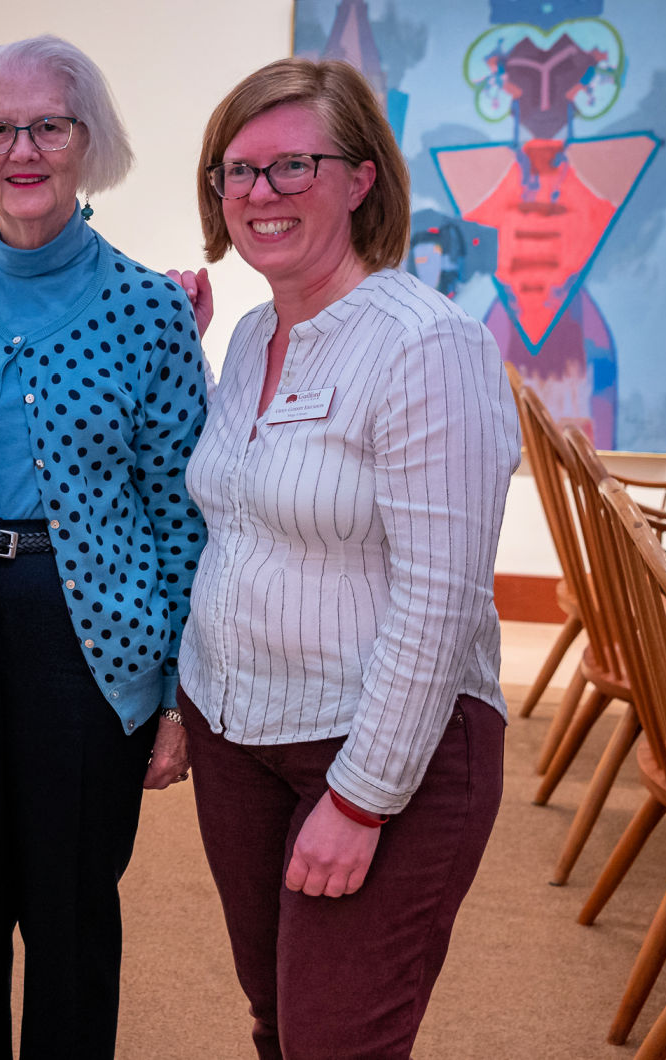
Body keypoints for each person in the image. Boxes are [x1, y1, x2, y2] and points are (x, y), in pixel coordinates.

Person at [169, 57, 519, 1059]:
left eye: (291, 168)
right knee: (280, 1018)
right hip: (238, 731)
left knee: (338, 1038)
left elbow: (440, 603)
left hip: (381, 746)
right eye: (235, 173)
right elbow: (244, 500)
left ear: (360, 179)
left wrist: (362, 798)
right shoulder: (247, 338)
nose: (257, 195)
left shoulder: (426, 345)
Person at [0, 35, 209, 1059]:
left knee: (72, 907)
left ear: (86, 142)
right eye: (0, 128)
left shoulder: (149, 310)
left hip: (91, 642)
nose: (23, 149)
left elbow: (182, 516)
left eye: (48, 126)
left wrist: (176, 693)